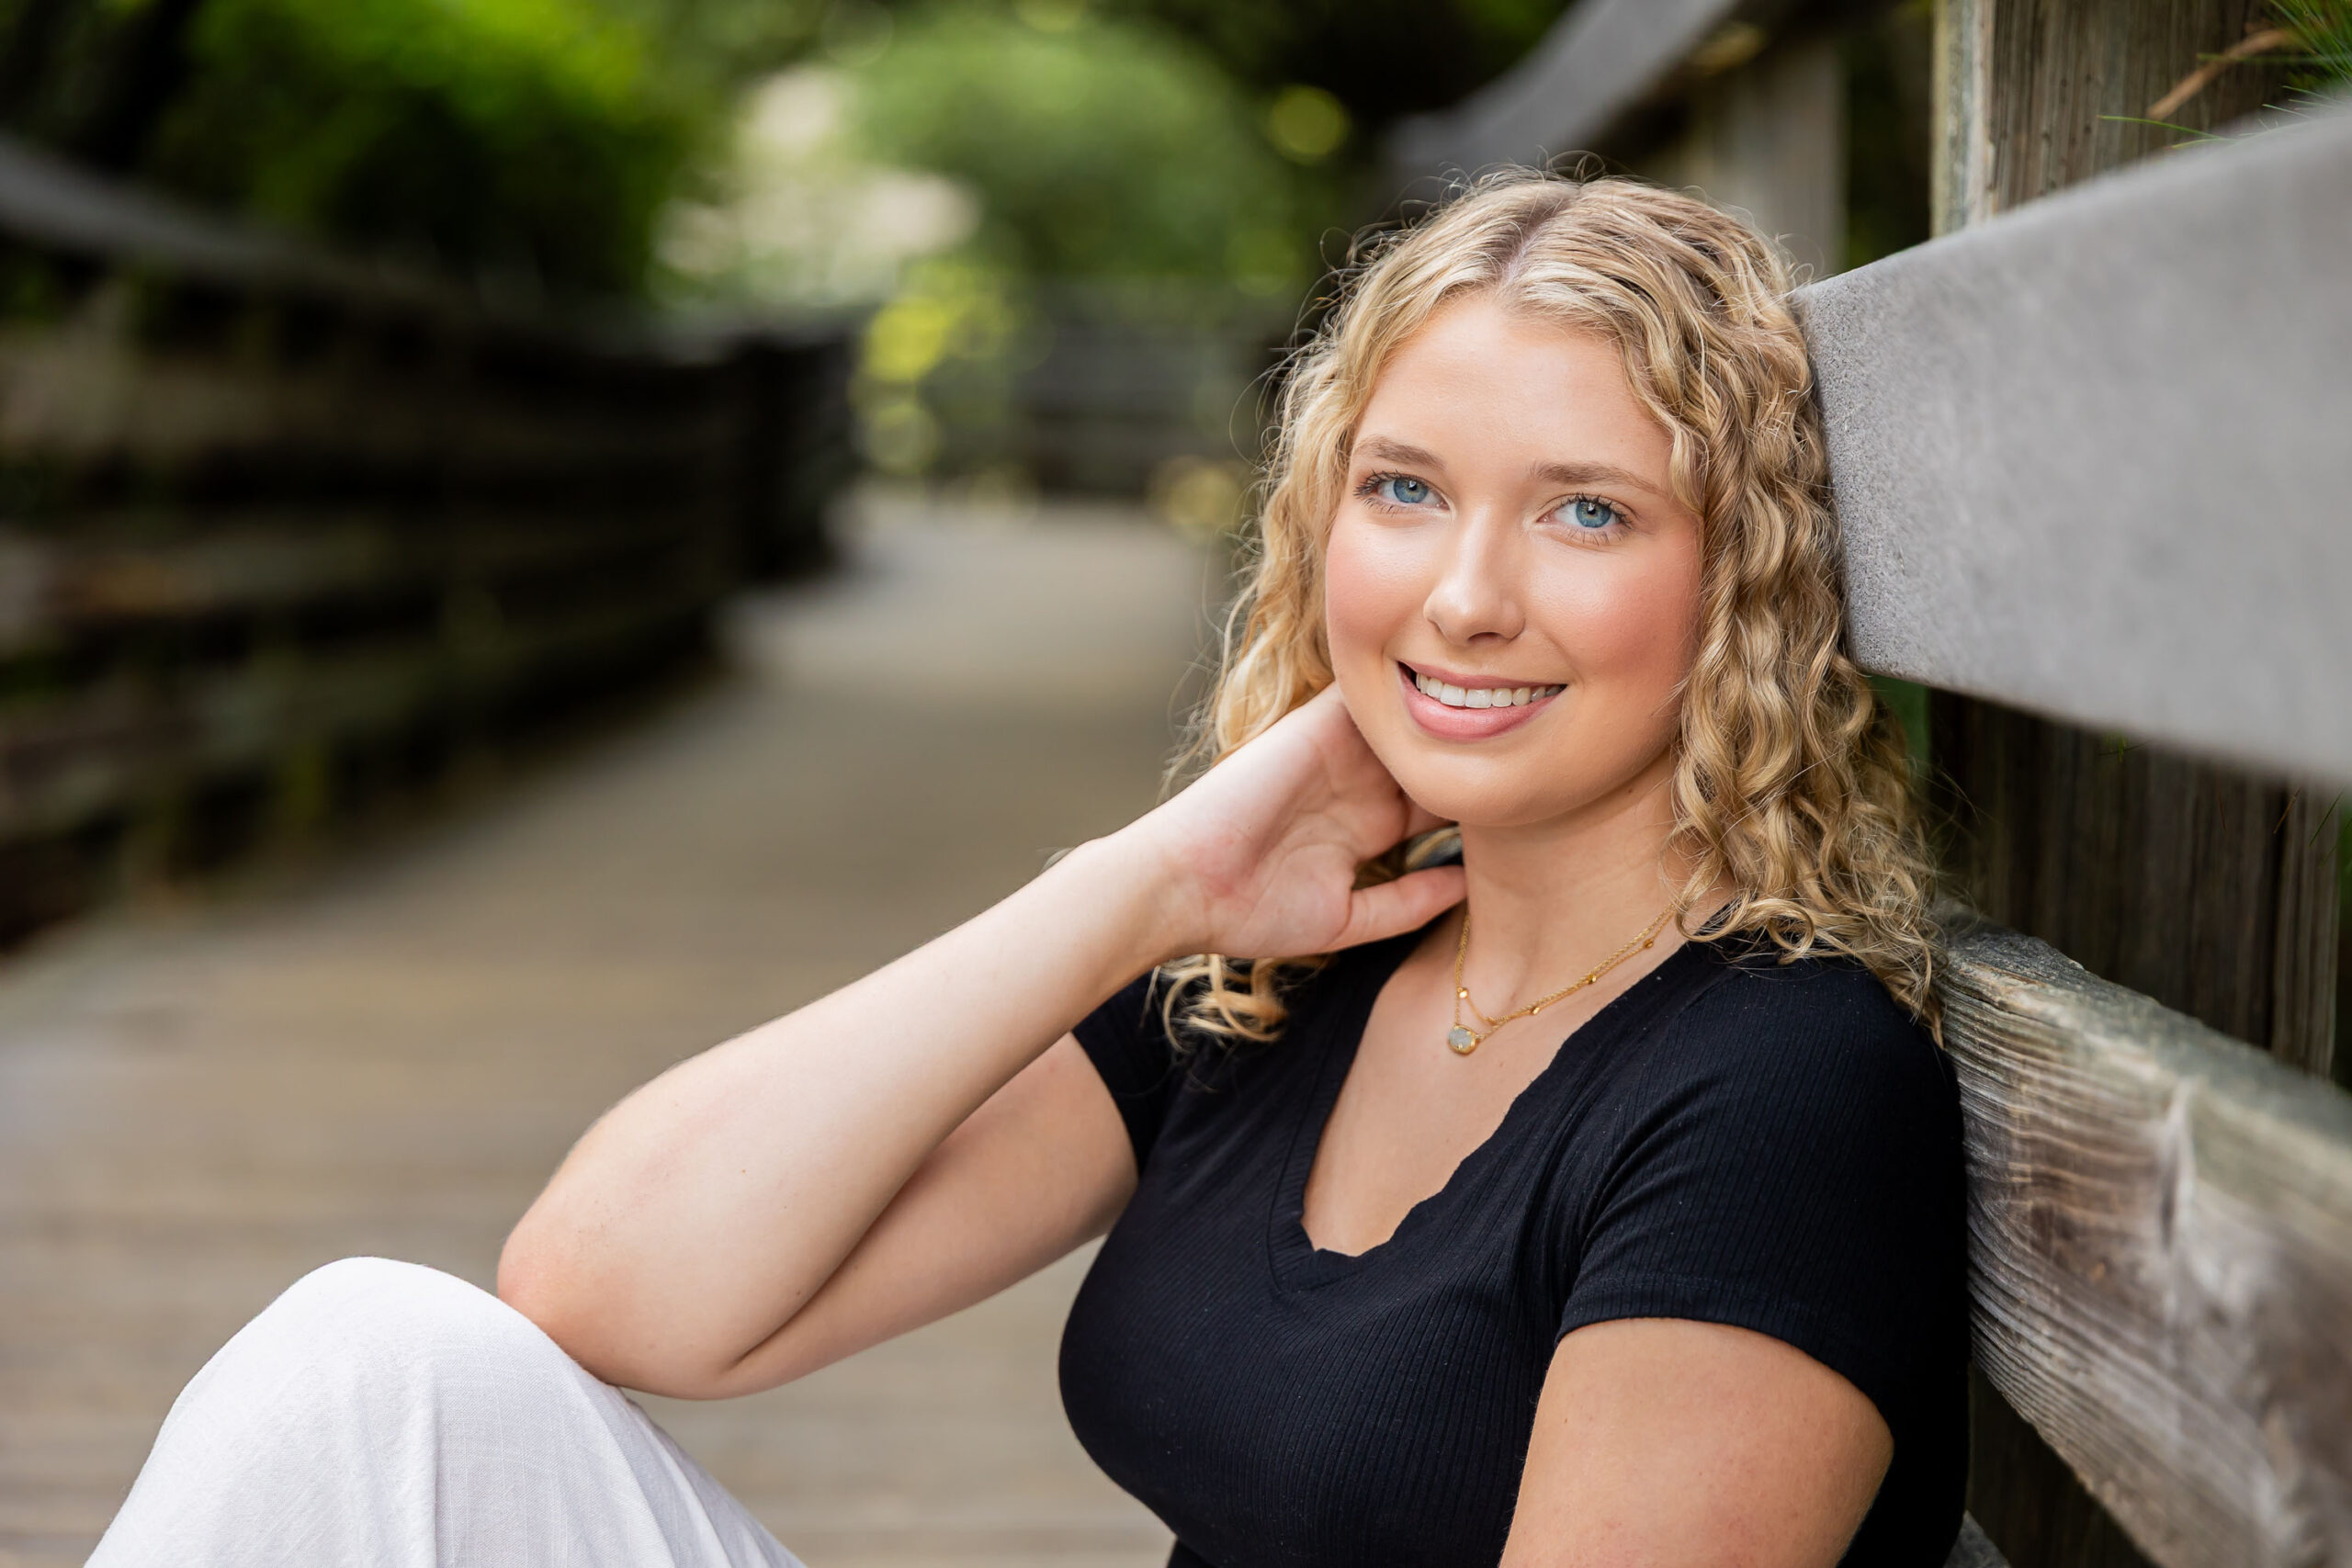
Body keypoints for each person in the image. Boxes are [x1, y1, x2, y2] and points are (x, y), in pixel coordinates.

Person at [91, 171, 1966, 1568]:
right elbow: (613, 1285)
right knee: (372, 1368)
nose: (1463, 594)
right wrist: (1147, 880)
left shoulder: (1773, 1090)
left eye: (1584, 509)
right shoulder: (1290, 971)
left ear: (1739, 582)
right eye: (1403, 489)